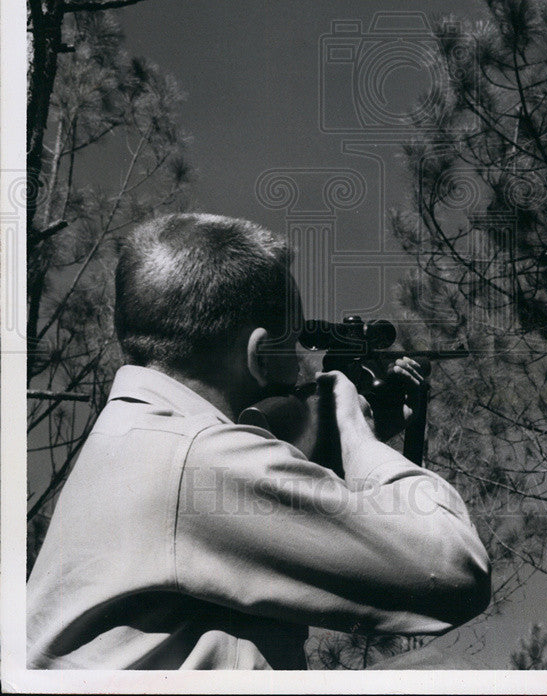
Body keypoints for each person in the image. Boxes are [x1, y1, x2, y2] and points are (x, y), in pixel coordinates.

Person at [27, 213, 491, 669]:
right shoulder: (198, 460)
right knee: (443, 670)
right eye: (292, 353)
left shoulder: (136, 440)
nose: (298, 374)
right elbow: (453, 568)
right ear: (259, 356)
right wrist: (353, 428)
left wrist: (363, 431)